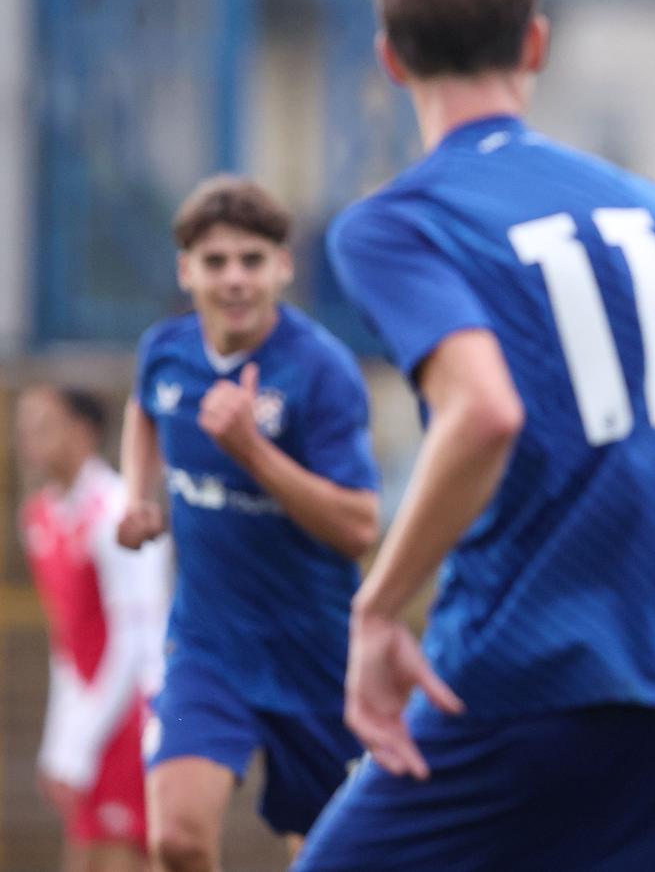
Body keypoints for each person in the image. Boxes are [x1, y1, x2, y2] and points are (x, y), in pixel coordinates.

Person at [292, 0, 655, 872]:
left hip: (517, 684)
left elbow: (483, 410)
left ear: (390, 56)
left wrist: (377, 607)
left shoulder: (398, 221)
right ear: (536, 42)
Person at [117, 177, 381, 872]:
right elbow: (144, 407)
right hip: (208, 646)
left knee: (328, 855)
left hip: (315, 654)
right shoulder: (166, 350)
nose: (234, 278)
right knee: (174, 839)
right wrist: (135, 494)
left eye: (252, 259)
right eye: (215, 261)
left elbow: (359, 527)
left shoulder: (322, 370)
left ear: (283, 266)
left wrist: (253, 452)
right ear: (187, 271)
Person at [18, 386, 170, 872]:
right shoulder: (38, 516)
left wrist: (80, 745)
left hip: (129, 717)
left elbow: (137, 642)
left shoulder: (118, 513)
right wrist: (60, 742)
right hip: (90, 717)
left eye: (43, 426)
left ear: (83, 433)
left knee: (123, 858)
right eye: (23, 428)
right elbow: (67, 643)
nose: (28, 440)